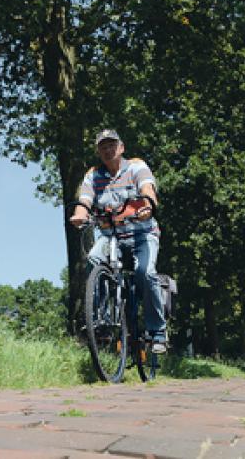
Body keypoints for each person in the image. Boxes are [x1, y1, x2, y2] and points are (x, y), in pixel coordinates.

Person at [69, 129, 167, 354]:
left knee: (146, 273)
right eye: (102, 146)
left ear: (121, 148)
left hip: (141, 233)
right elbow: (84, 199)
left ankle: (157, 331)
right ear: (98, 151)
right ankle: (100, 323)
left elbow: (147, 189)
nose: (107, 150)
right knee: (93, 259)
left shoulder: (135, 166)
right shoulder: (93, 175)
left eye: (111, 145)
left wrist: (147, 205)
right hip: (110, 235)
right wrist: (79, 214)